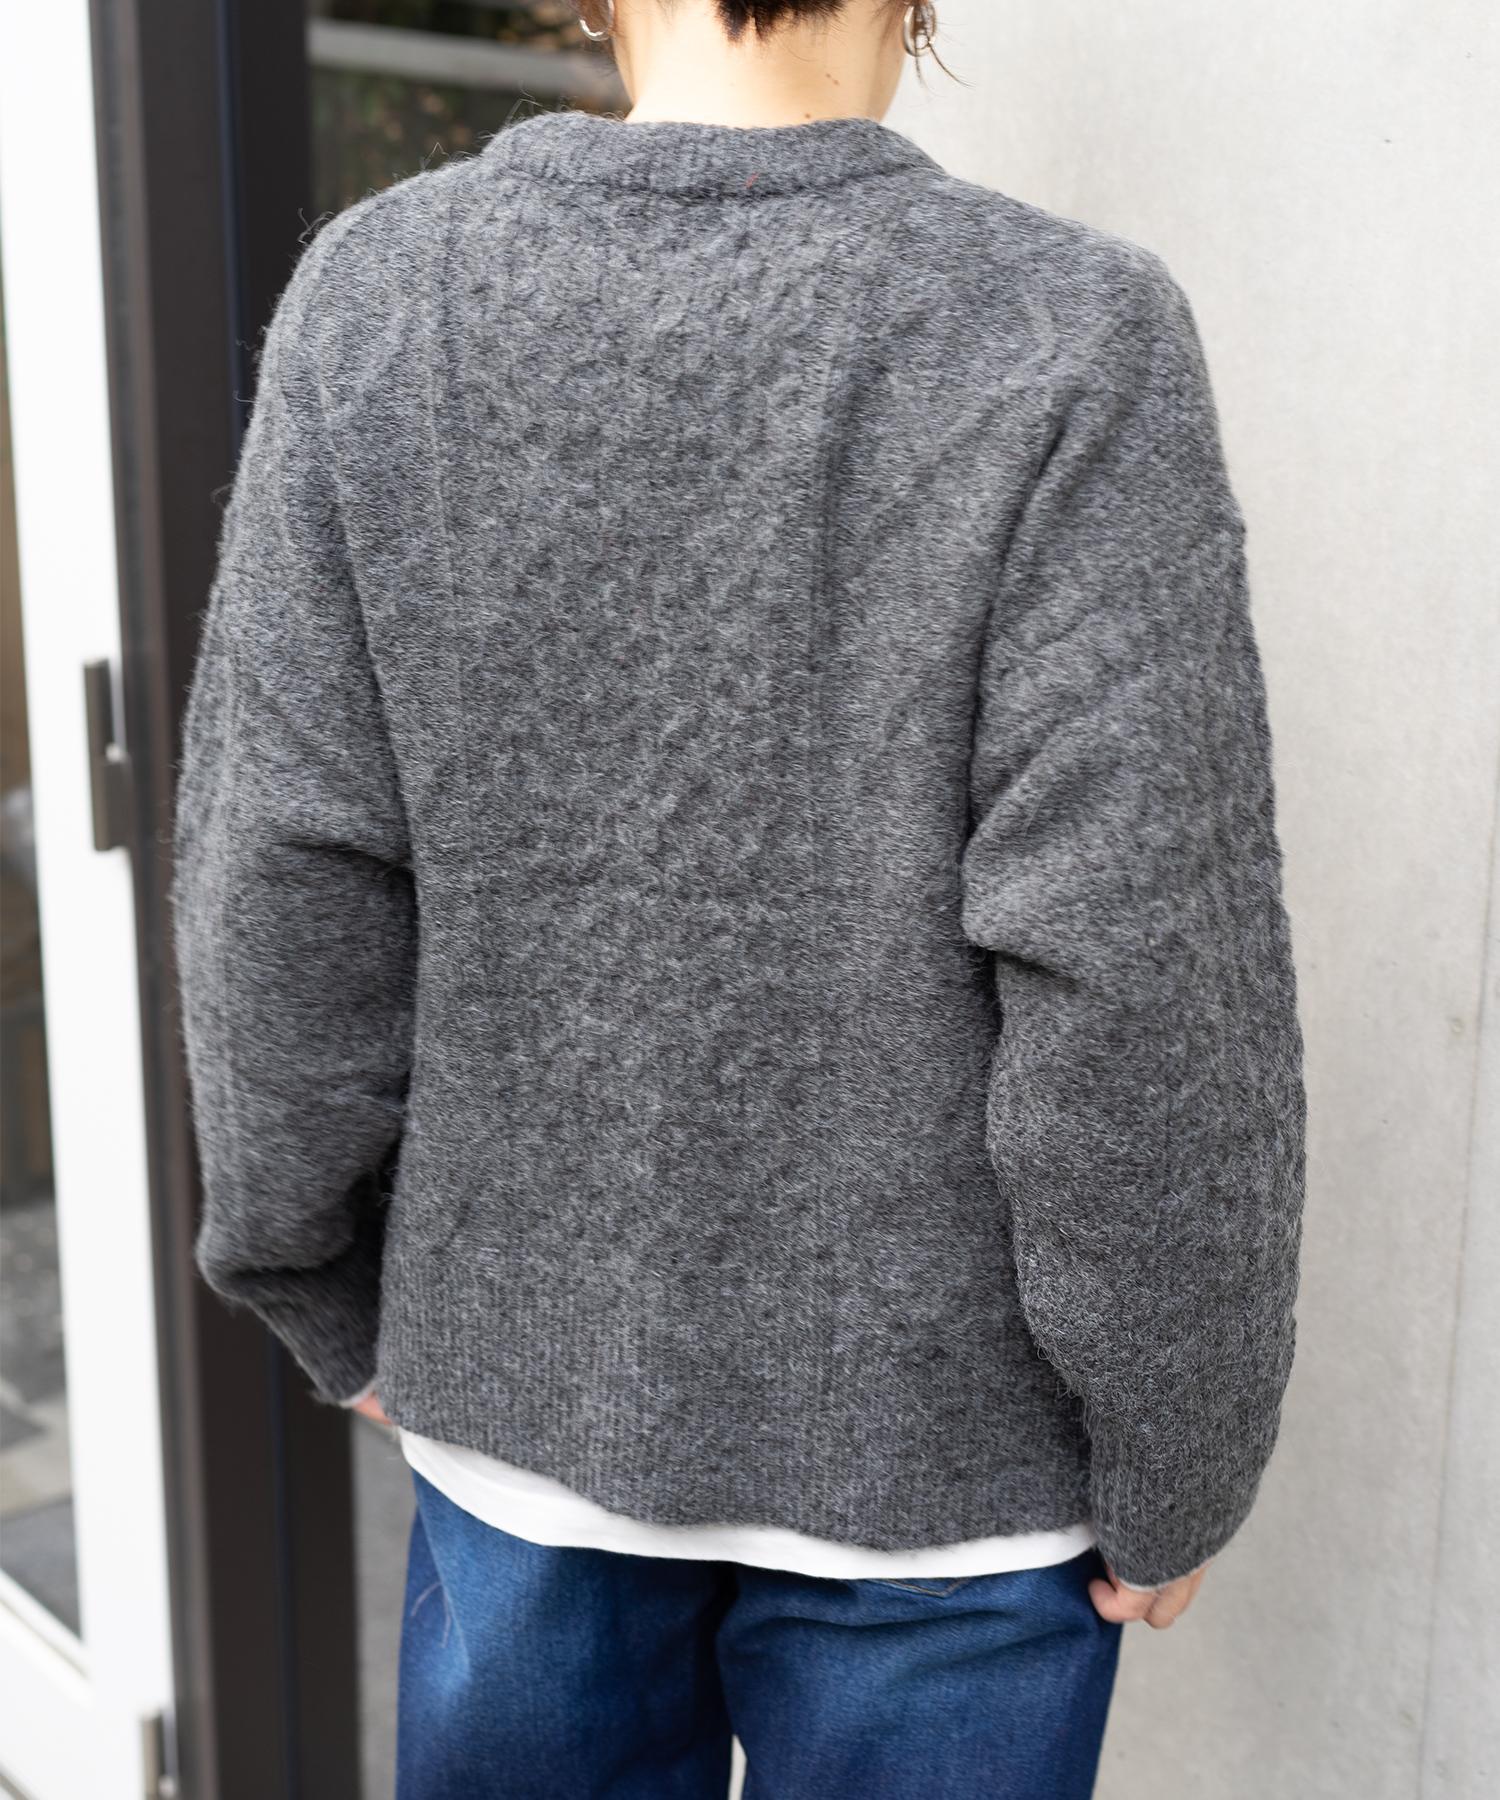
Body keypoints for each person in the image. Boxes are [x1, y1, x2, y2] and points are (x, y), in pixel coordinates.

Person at [170, 1, 1308, 1794]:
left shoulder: (380, 300)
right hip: (944, 1485)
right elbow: (1141, 969)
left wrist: (309, 1266)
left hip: (522, 1421)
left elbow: (282, 879)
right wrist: (1182, 1437)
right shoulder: (1069, 335)